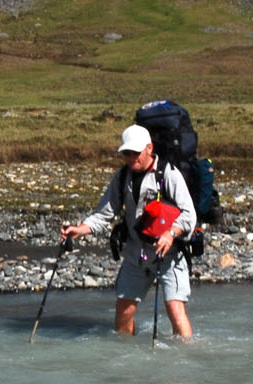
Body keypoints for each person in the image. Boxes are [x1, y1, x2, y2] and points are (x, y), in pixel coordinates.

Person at [61, 123, 196, 338]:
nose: (132, 158)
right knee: (124, 311)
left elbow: (189, 214)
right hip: (136, 256)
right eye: (127, 153)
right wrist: (80, 229)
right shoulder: (122, 177)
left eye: (136, 153)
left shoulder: (169, 174)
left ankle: (187, 359)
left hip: (169, 255)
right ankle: (126, 358)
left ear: (149, 148)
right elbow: (105, 213)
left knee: (175, 309)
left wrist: (171, 233)